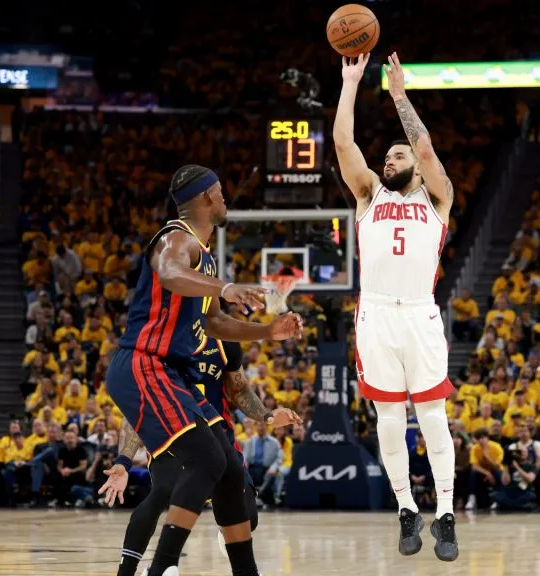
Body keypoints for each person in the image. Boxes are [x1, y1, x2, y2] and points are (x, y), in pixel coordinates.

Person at [103, 164, 302, 576]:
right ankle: (160, 569)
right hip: (145, 363)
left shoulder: (205, 260)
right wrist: (227, 288)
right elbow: (170, 273)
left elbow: (213, 324)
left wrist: (268, 331)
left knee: (228, 468)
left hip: (169, 375)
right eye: (222, 192)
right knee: (202, 463)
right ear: (207, 197)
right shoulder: (177, 237)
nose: (226, 198)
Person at [335, 52, 458, 561]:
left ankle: (446, 515)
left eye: (397, 155)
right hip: (377, 314)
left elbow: (425, 145)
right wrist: (351, 83)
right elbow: (344, 143)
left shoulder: (437, 197)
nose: (390, 159)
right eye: (386, 155)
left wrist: (399, 96)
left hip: (421, 314)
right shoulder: (368, 195)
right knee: (389, 418)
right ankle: (406, 508)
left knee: (432, 418)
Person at [100, 337, 301, 576]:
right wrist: (124, 460)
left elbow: (239, 391)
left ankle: (221, 545)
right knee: (162, 491)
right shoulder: (165, 341)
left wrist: (267, 416)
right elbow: (139, 408)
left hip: (218, 434)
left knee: (247, 514)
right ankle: (134, 570)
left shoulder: (224, 341)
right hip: (176, 436)